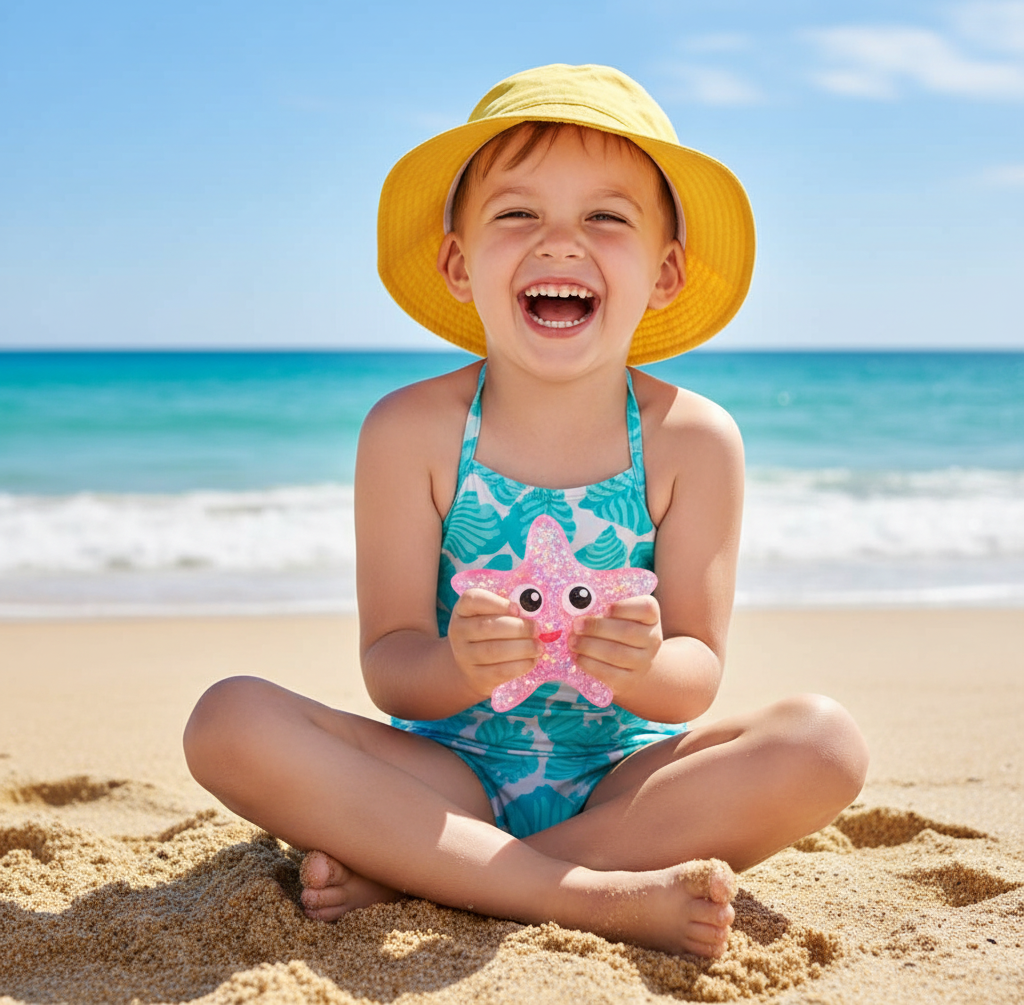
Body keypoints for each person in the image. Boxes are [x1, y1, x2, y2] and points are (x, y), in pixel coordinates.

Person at [183, 63, 869, 959]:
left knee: (825, 744)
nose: (559, 243)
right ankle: (578, 896)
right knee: (227, 718)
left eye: (605, 217)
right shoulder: (409, 432)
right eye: (517, 213)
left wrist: (640, 664)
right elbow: (391, 666)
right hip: (443, 778)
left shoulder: (694, 439)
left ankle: (436, 874)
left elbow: (697, 671)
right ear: (458, 263)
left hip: (625, 790)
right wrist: (462, 666)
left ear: (664, 272)